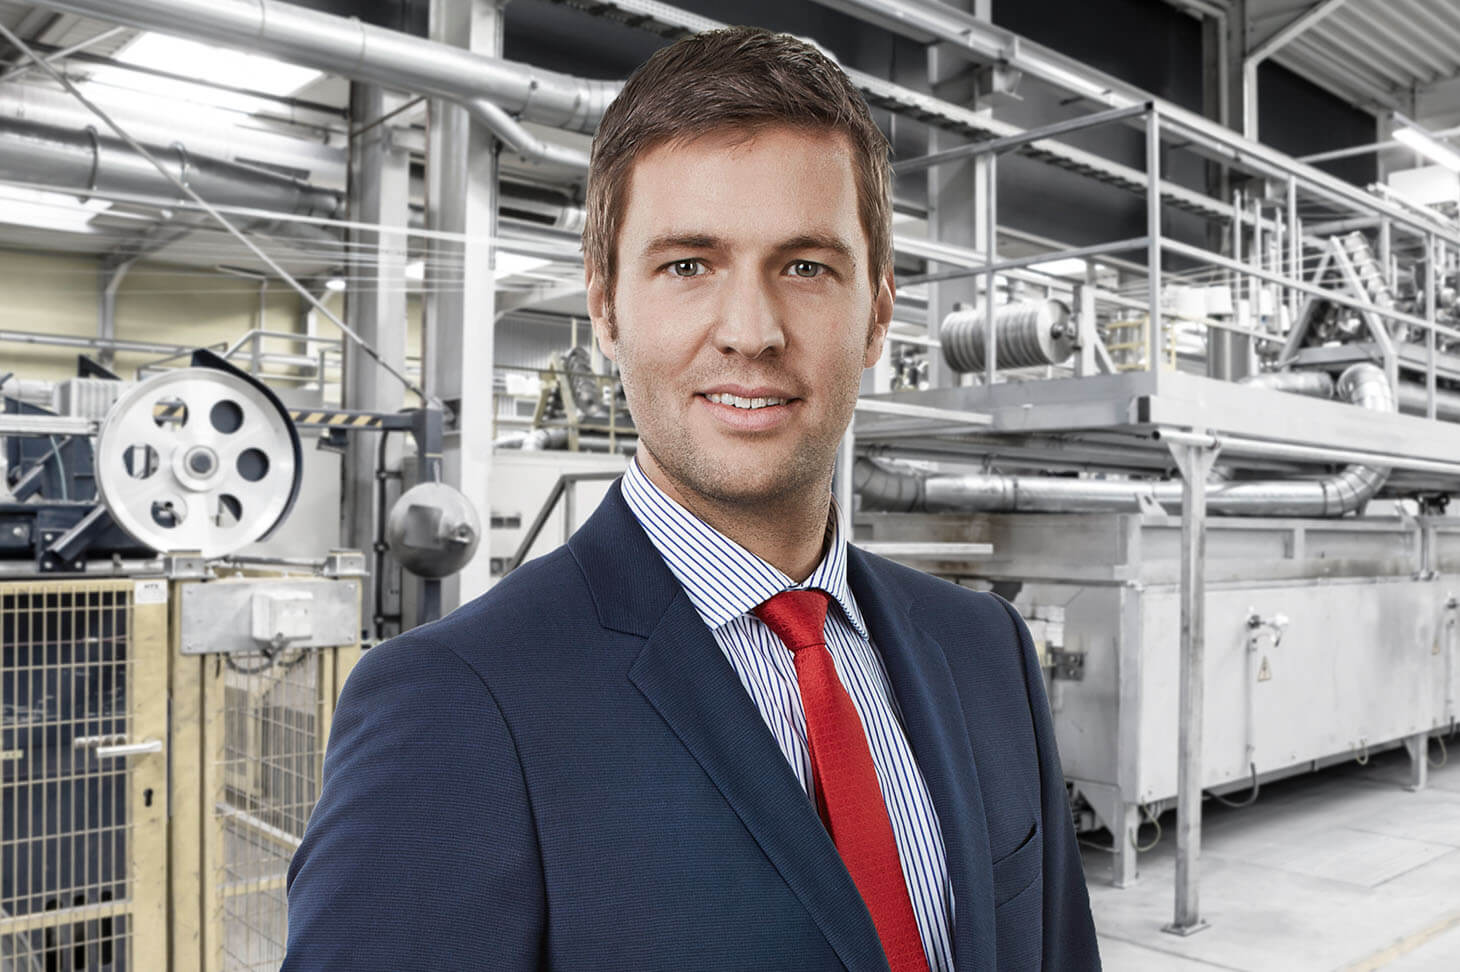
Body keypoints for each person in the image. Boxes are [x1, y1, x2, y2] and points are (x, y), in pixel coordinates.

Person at [285, 25, 1099, 971]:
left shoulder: (983, 650)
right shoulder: (456, 706)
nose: (750, 332)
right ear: (605, 310)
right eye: (687, 265)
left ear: (877, 312)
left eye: (806, 266)